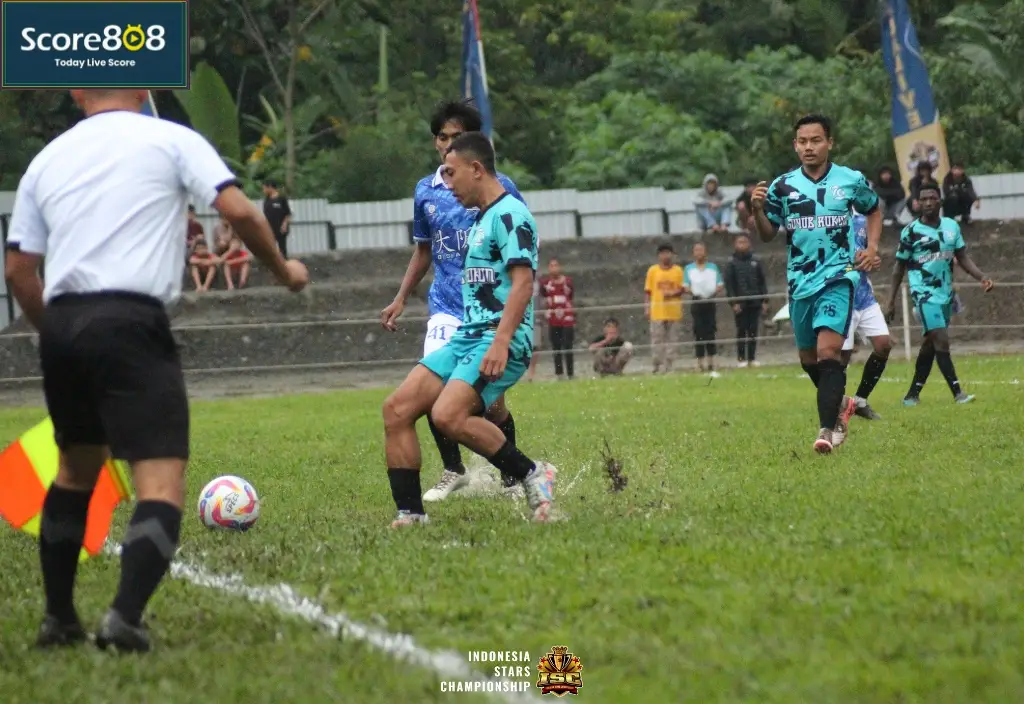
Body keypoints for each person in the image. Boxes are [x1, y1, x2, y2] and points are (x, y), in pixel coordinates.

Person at [3, 89, 308, 653]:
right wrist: (285, 270)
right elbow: (238, 210)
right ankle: (123, 617)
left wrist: (59, 335)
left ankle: (59, 618)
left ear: (76, 90)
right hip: (131, 319)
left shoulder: (47, 158)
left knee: (74, 470)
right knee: (159, 481)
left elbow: (20, 270)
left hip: (64, 322)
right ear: (143, 87)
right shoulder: (170, 138)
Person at [380, 132, 555, 527]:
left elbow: (523, 284)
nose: (447, 182)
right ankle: (411, 513)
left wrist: (502, 341)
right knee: (397, 408)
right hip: (467, 337)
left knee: (447, 415)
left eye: (451, 172)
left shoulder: (510, 214)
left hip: (498, 339)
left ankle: (532, 473)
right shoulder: (482, 218)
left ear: (476, 169)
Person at [751, 114, 881, 454]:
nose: (809, 147)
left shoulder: (850, 179)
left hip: (839, 276)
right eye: (802, 142)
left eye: (815, 140)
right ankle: (842, 405)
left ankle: (827, 430)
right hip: (800, 282)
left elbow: (874, 209)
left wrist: (871, 248)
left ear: (829, 143)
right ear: (795, 145)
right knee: (809, 359)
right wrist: (757, 211)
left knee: (828, 352)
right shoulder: (783, 186)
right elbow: (767, 235)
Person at [884, 185, 993, 406]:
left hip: (945, 293)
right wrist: (890, 301)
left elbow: (962, 257)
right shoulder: (911, 231)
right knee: (942, 340)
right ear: (918, 204)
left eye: (933, 198)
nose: (928, 202)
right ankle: (958, 394)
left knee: (930, 345)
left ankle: (912, 394)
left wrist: (981, 277)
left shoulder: (952, 227)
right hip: (923, 294)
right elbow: (898, 268)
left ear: (940, 202)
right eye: (924, 199)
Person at [841, 211, 891, 421]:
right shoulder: (829, 219)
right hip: (841, 297)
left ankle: (860, 400)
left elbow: (869, 252)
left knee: (883, 345)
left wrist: (872, 260)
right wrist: (848, 260)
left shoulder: (863, 220)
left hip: (864, 296)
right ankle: (838, 405)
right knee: (841, 358)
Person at [723, 234, 768, 367]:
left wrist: (765, 300)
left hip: (755, 301)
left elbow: (762, 282)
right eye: (739, 242)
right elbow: (729, 285)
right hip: (740, 303)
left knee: (753, 331)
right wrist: (733, 302)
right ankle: (741, 358)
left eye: (744, 242)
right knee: (741, 330)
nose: (742, 245)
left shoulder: (755, 261)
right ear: (735, 245)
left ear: (749, 244)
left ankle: (752, 358)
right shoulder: (731, 263)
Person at [683, 242, 724, 376]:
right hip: (697, 301)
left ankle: (712, 360)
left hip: (710, 301)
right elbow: (685, 286)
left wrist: (713, 291)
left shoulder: (713, 268)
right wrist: (694, 292)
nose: (699, 252)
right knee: (698, 331)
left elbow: (720, 284)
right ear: (693, 253)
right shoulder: (689, 269)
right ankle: (699, 361)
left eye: (701, 250)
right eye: (697, 250)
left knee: (710, 330)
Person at [644, 244, 684, 374]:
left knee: (672, 339)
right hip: (657, 311)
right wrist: (647, 307)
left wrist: (672, 293)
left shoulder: (678, 270)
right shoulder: (653, 271)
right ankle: (657, 365)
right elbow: (648, 291)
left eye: (668, 253)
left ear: (672, 255)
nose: (665, 256)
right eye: (662, 253)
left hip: (673, 311)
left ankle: (670, 365)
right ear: (658, 256)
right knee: (657, 339)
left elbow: (682, 289)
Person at [539, 258, 576, 381]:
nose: (554, 268)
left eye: (556, 265)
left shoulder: (568, 282)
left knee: (568, 345)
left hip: (566, 317)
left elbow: (571, 296)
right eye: (551, 266)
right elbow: (544, 296)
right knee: (556, 346)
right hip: (553, 319)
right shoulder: (545, 284)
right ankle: (559, 374)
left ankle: (571, 373)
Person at [261, 179, 291, 257]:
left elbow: (288, 214)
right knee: (270, 249)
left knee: (282, 249)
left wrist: (284, 225)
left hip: (280, 228)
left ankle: (284, 265)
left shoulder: (281, 198)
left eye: (264, 188)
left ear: (270, 187)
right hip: (269, 229)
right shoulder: (266, 200)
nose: (263, 190)